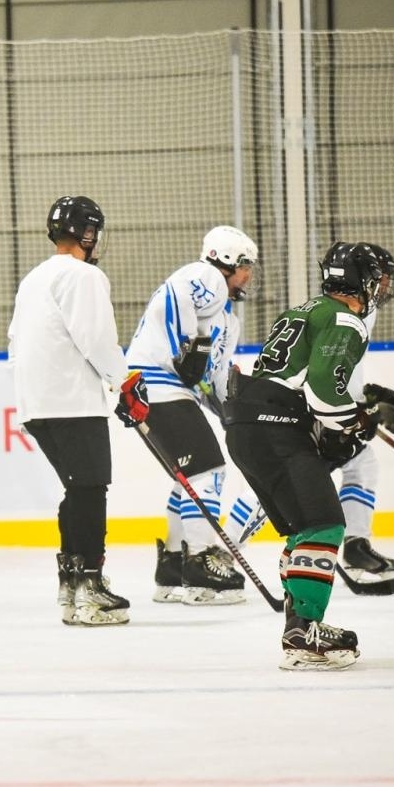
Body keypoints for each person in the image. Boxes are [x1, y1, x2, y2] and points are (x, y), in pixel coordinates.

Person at [223, 242, 394, 670]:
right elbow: (323, 389)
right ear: (362, 279)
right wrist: (357, 423)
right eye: (377, 277)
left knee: (304, 529)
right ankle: (303, 632)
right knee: (323, 523)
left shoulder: (303, 311)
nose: (381, 286)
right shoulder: (346, 320)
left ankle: (300, 622)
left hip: (249, 426)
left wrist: (346, 415)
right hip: (276, 429)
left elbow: (295, 379)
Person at [9, 195, 147, 626]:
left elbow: (15, 340)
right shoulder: (82, 276)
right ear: (88, 234)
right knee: (89, 488)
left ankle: (70, 588)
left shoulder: (34, 278)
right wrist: (125, 383)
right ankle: (91, 588)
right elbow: (97, 338)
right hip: (71, 400)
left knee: (77, 488)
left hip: (36, 403)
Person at [224, 322, 394, 589]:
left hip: (315, 411)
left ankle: (355, 545)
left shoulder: (344, 316)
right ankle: (223, 550)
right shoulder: (344, 317)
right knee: (278, 481)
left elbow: (339, 375)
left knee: (362, 461)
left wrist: (369, 399)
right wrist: (363, 414)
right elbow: (322, 376)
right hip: (303, 416)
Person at [125, 225, 258, 607]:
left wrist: (234, 413)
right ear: (226, 260)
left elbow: (213, 376)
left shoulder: (227, 318)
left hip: (165, 389)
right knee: (208, 472)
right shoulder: (206, 276)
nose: (249, 273)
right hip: (157, 384)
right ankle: (199, 567)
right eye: (245, 264)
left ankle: (171, 568)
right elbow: (175, 292)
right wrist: (183, 346)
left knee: (189, 479)